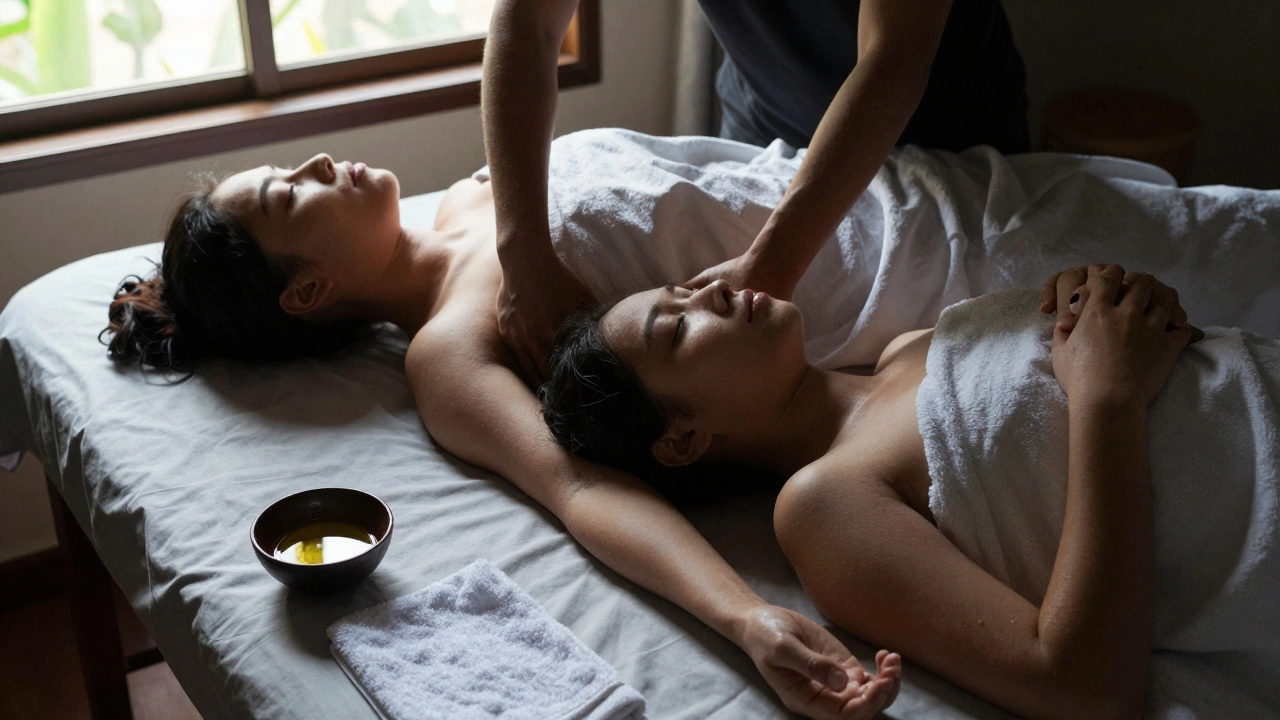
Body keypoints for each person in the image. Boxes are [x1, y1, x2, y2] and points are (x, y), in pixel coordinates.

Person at [102, 153, 905, 720]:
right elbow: (579, 488)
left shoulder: (467, 194)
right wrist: (745, 617)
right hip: (885, 271)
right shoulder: (448, 351)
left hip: (864, 180)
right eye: (290, 195)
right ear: (308, 290)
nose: (316, 162)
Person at [537, 265, 1280, 719]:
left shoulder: (910, 348)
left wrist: (1123, 304)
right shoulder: (824, 503)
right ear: (683, 440)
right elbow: (1084, 689)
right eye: (676, 328)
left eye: (688, 286)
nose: (715, 290)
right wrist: (1107, 401)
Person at [483, 0, 1029, 381]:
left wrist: (774, 262)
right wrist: (520, 246)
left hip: (948, 147)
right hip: (765, 131)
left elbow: (895, 55)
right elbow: (528, 20)